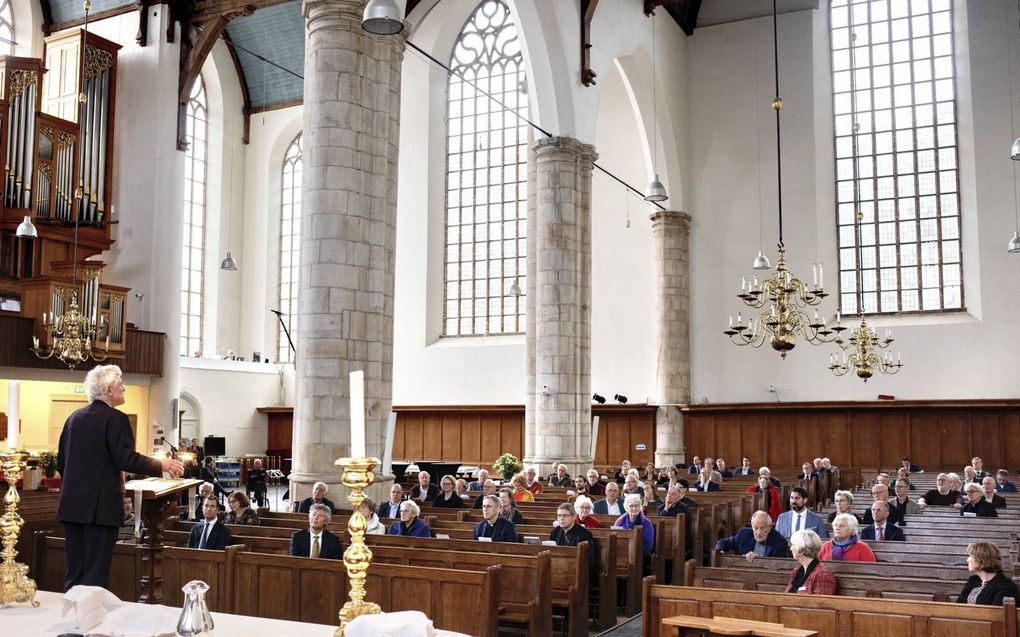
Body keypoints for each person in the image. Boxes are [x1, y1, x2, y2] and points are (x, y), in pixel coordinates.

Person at [57, 364, 184, 591]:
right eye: (121, 384)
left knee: (75, 571)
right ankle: (91, 623)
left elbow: (62, 463)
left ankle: (73, 620)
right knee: (96, 572)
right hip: (101, 508)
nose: (124, 387)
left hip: (73, 506)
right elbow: (126, 459)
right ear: (108, 389)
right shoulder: (115, 418)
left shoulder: (73, 418)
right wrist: (161, 464)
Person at [714, 511, 790, 562]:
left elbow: (779, 565)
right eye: (756, 528)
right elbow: (724, 542)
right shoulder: (744, 534)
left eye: (762, 528)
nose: (758, 532)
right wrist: (720, 550)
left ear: (769, 528)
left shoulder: (780, 542)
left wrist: (760, 559)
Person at [786, 530, 836, 595]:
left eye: (793, 545)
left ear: (802, 548)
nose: (791, 548)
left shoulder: (822, 574)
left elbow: (819, 603)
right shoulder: (796, 572)